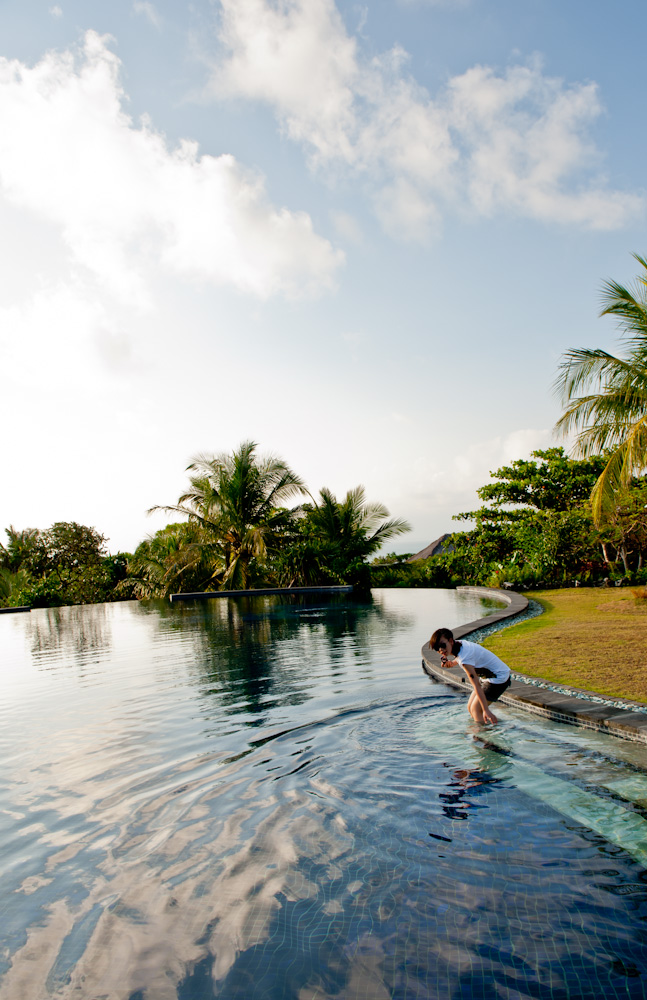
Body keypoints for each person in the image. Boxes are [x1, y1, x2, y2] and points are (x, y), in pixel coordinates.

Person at [429, 628, 511, 724]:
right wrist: (452, 663)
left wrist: (485, 710)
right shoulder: (459, 645)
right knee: (470, 707)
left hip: (498, 678)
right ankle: (488, 726)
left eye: (442, 645)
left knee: (476, 710)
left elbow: (476, 685)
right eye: (436, 648)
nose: (441, 650)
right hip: (489, 676)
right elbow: (462, 657)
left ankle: (483, 735)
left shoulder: (465, 660)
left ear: (451, 641)